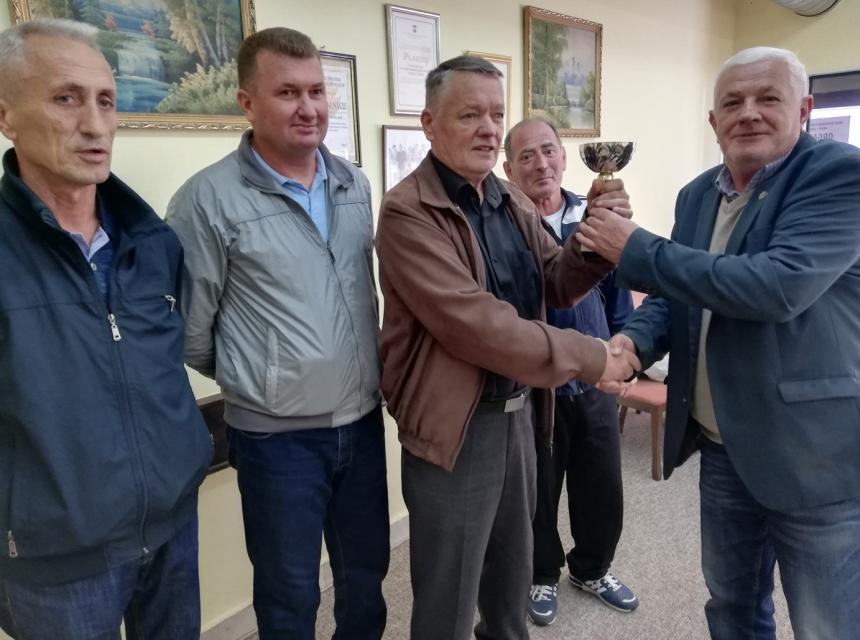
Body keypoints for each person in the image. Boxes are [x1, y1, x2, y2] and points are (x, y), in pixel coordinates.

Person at [577, 46, 860, 639]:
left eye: (768, 98)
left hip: (815, 456)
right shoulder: (697, 195)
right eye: (733, 102)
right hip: (722, 444)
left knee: (827, 623)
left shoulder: (839, 174)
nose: (748, 112)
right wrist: (630, 344)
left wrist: (636, 247)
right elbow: (677, 295)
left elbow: (775, 286)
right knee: (731, 607)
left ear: (804, 109)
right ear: (714, 120)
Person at [375, 55, 639, 640]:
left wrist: (595, 240)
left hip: (522, 415)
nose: (489, 129)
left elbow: (556, 281)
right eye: (469, 115)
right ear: (429, 123)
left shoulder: (508, 200)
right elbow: (479, 326)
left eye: (496, 114)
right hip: (456, 430)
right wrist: (595, 356)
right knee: (448, 599)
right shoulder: (407, 212)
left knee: (511, 583)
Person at [166, 27, 389, 639]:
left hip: (362, 422)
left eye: (316, 90)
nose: (308, 107)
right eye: (287, 92)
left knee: (366, 578)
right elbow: (190, 330)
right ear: (246, 102)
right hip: (276, 439)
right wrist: (265, 375)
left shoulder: (354, 183)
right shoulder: (206, 199)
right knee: (289, 594)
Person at [0, 19, 212, 640]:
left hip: (171, 525)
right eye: (66, 98)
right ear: (7, 116)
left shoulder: (153, 242)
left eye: (106, 101)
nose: (95, 125)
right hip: (56, 557)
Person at [503, 117, 638, 626]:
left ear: (564, 157)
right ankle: (542, 573)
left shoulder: (594, 218)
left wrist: (624, 352)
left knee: (602, 484)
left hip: (597, 379)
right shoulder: (506, 228)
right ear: (508, 168)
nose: (540, 164)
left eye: (548, 151)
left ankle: (592, 568)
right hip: (539, 386)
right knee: (539, 489)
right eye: (526, 156)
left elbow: (617, 292)